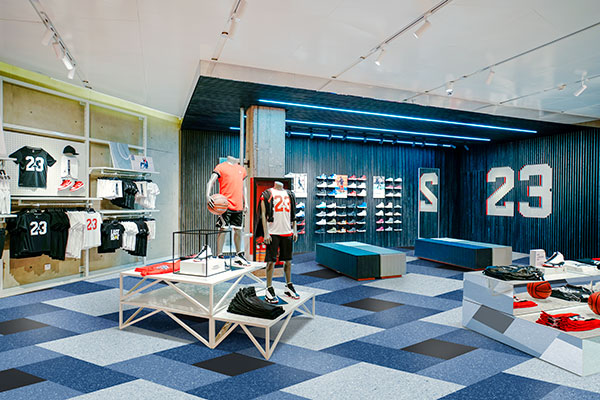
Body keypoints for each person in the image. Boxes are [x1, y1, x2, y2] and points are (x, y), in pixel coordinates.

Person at [259, 181, 299, 303]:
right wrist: (266, 233)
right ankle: (269, 287)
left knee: (288, 261)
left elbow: (293, 214)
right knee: (270, 261)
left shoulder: (290, 194)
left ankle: (288, 285)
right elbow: (263, 214)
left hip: (287, 231)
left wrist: (294, 230)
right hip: (273, 232)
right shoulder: (267, 194)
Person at [206, 156, 249, 266]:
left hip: (238, 205)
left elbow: (244, 187)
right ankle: (219, 255)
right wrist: (207, 195)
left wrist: (246, 202)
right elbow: (210, 181)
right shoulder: (221, 167)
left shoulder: (242, 169)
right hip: (225, 205)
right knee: (223, 229)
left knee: (238, 230)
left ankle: (239, 255)